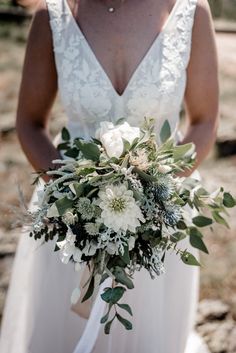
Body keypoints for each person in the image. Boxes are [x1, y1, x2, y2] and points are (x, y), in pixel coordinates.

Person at [0, 0, 219, 352]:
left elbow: (205, 120)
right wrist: (75, 195)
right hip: (69, 223)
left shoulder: (190, 9)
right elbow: (30, 122)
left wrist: (155, 196)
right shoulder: (52, 14)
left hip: (159, 225)